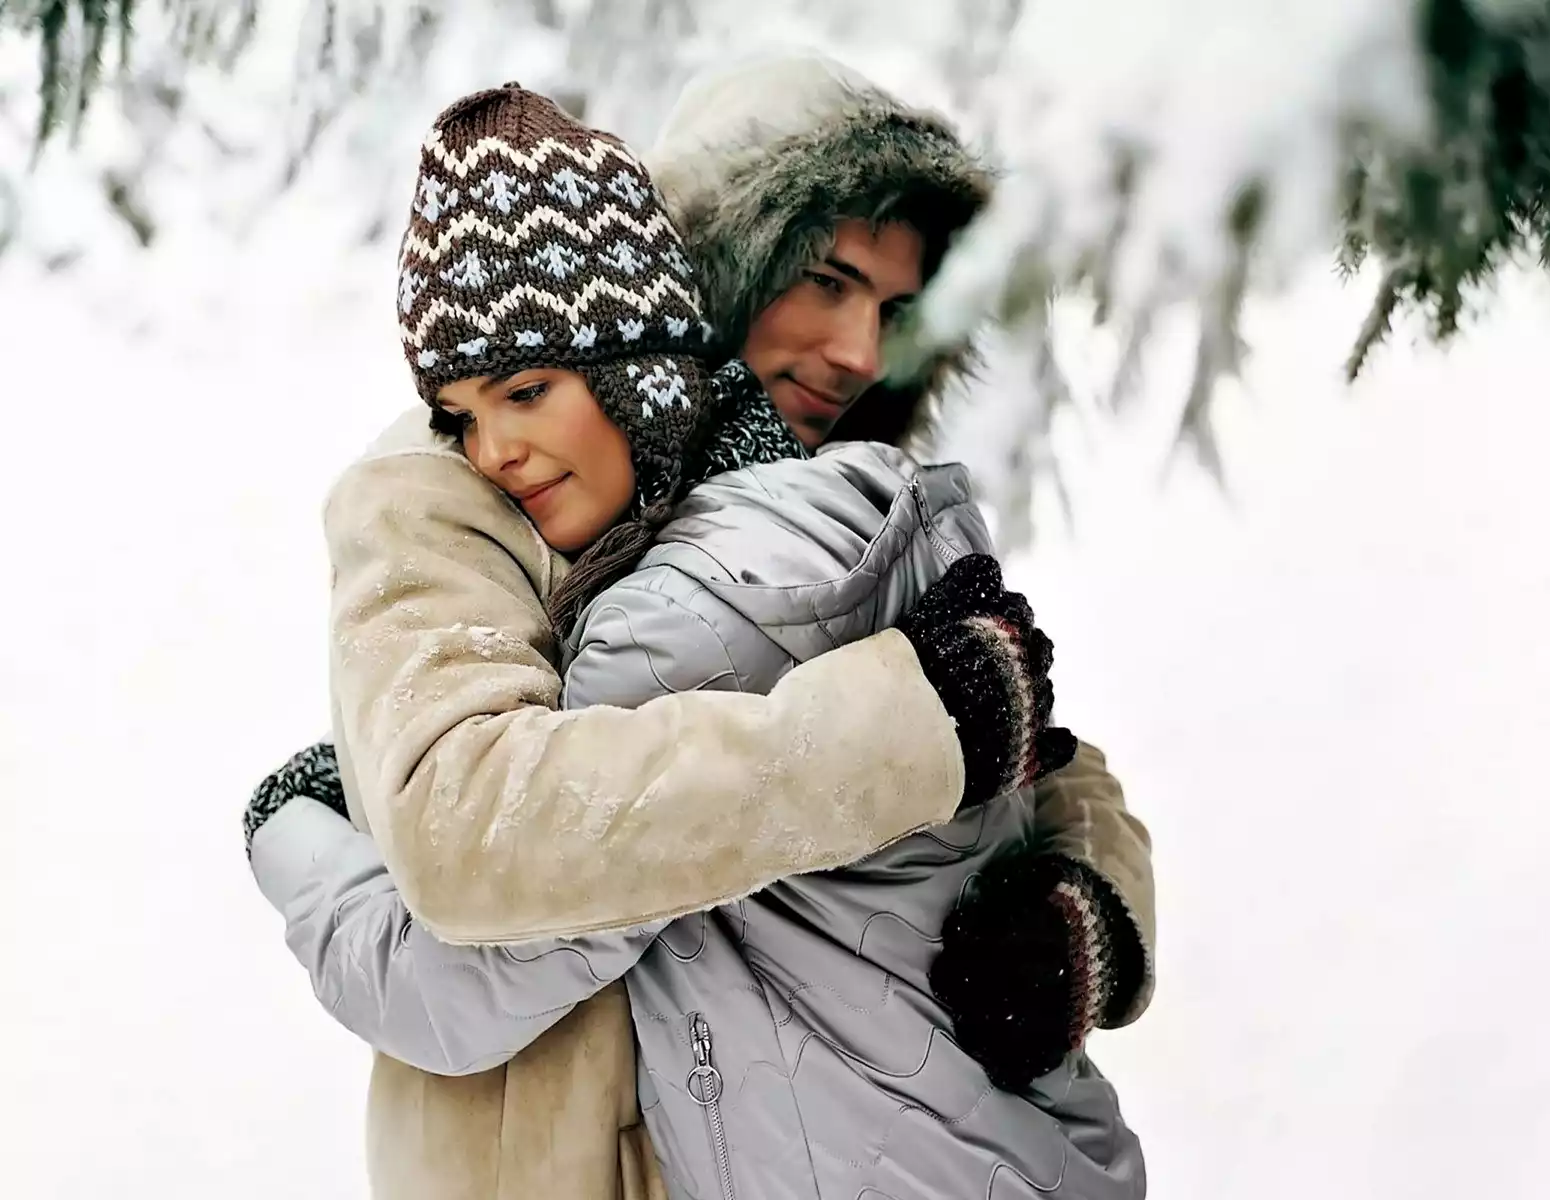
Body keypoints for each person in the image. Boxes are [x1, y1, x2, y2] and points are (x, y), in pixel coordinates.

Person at [246, 68, 1155, 1200]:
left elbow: (1045, 754)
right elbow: (470, 830)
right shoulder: (452, 492)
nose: (859, 351)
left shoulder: (808, 506)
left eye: (894, 311)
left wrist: (1085, 907)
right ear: (715, 259)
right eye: (827, 281)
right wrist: (909, 731)